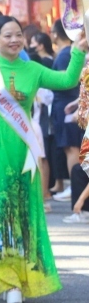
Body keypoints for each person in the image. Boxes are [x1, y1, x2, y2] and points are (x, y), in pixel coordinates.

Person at [0, 16, 88, 303]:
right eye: (7, 35)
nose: (14, 40)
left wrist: (79, 50)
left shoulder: (33, 69)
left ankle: (23, 272)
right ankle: (5, 278)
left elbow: (67, 80)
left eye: (18, 34)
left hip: (24, 150)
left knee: (22, 208)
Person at [50, 22, 85, 202]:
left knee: (72, 148)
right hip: (68, 105)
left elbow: (68, 81)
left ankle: (75, 189)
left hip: (67, 106)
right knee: (71, 148)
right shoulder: (69, 53)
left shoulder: (66, 55)